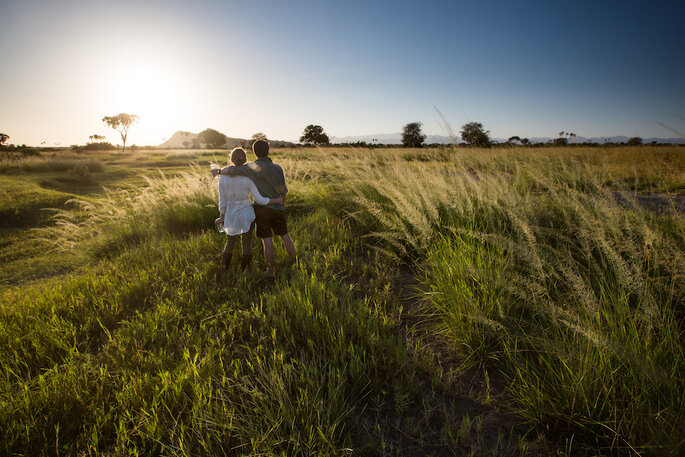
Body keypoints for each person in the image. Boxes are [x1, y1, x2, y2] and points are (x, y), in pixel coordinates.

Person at [212, 139, 296, 276]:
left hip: (262, 210)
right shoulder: (278, 169)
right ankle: (294, 262)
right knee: (285, 236)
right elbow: (282, 189)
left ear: (254, 153)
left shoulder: (251, 168)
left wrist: (219, 171)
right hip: (277, 208)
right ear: (268, 150)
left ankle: (270, 270)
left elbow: (233, 170)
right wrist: (281, 202)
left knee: (267, 240)